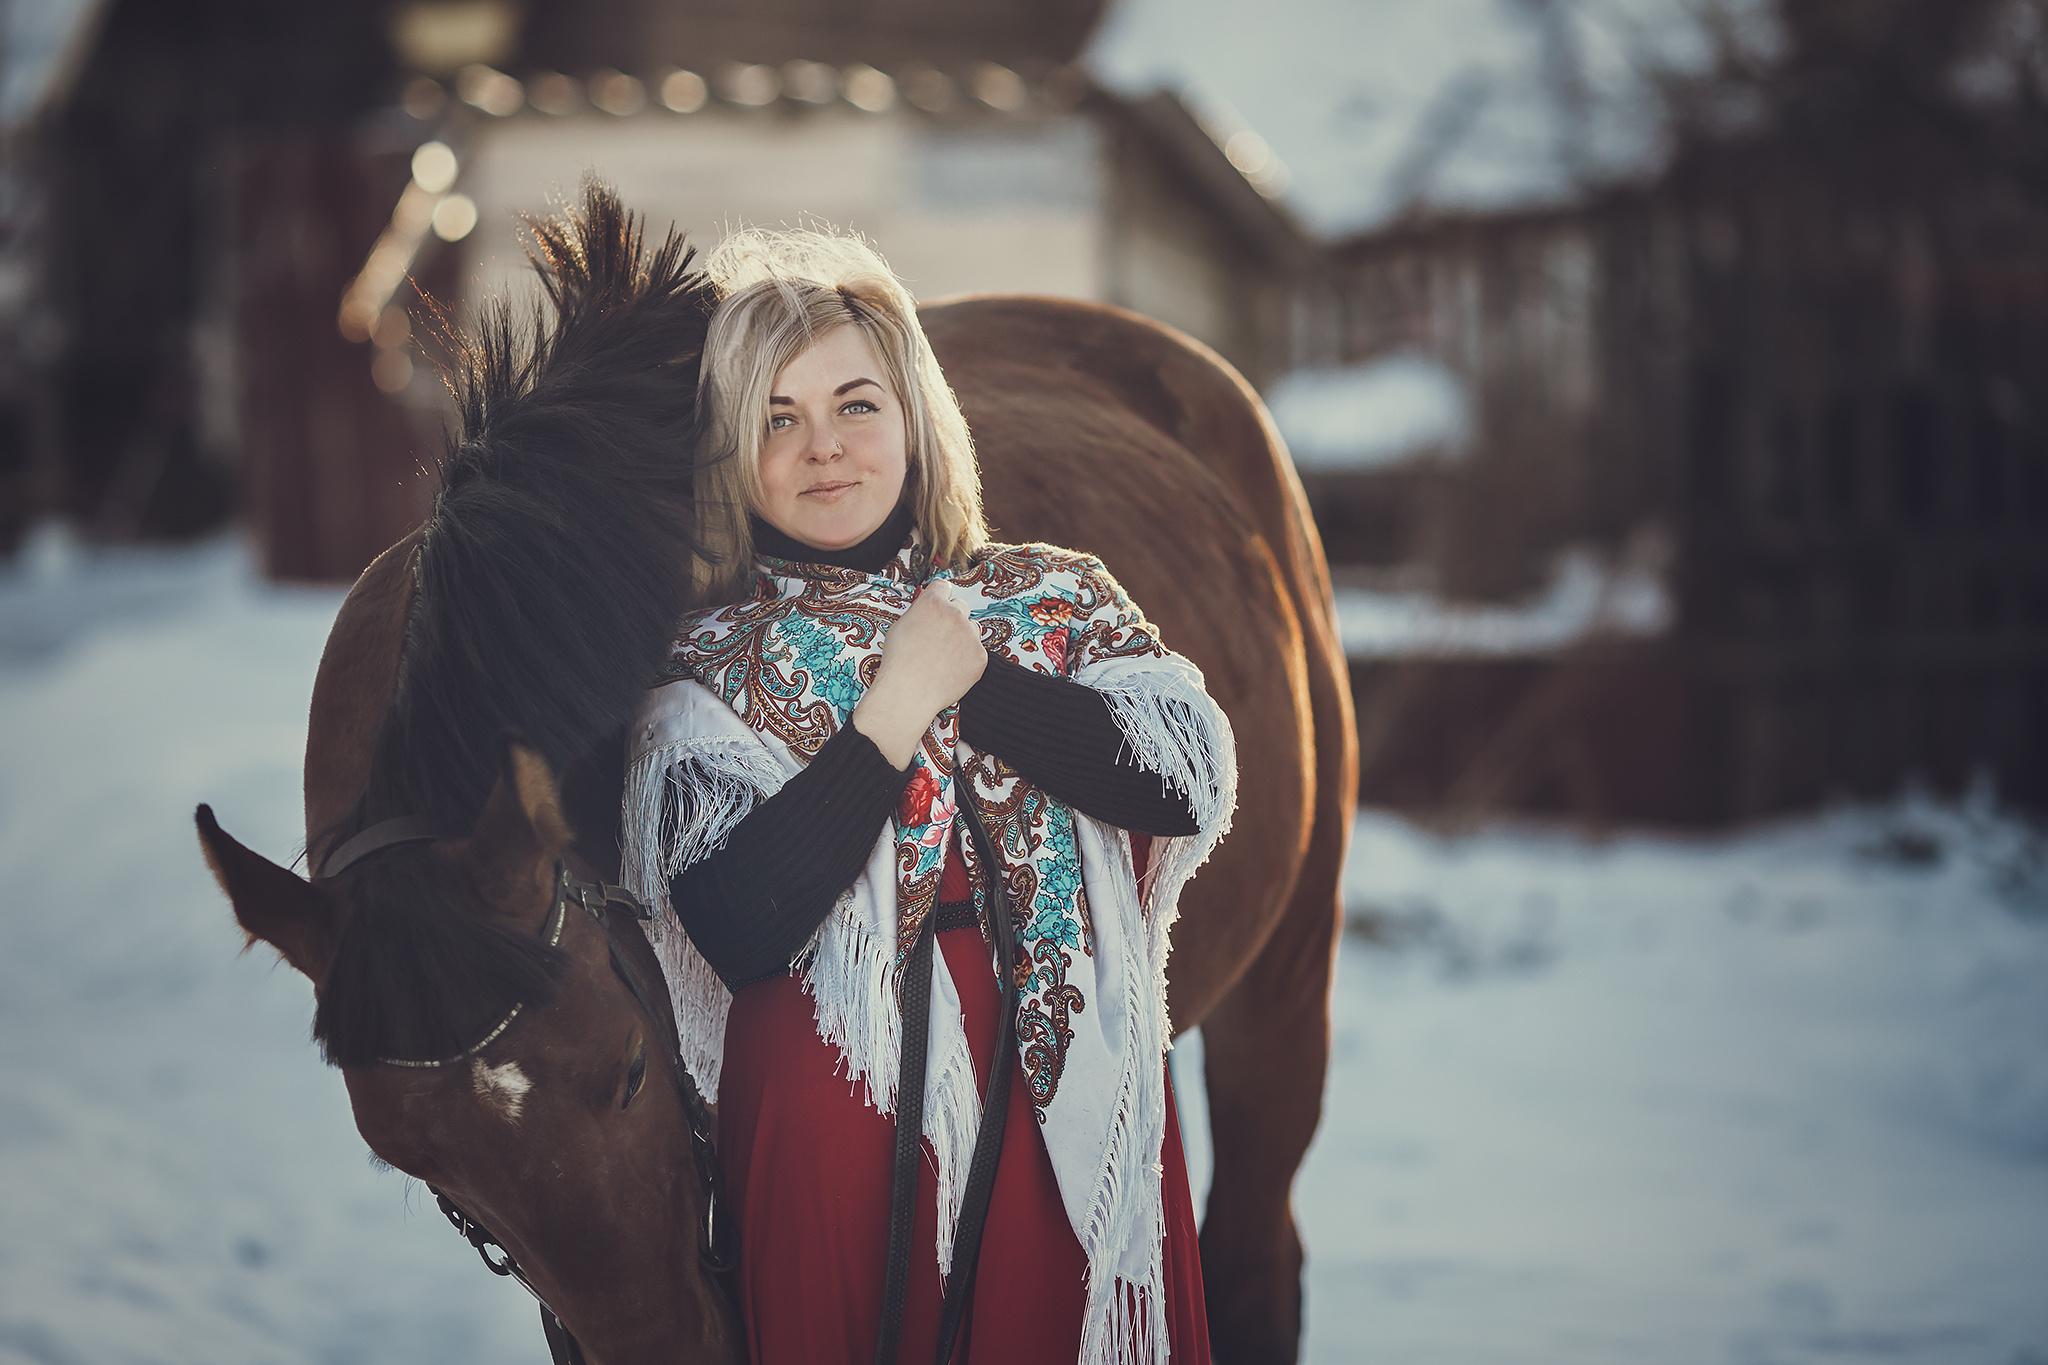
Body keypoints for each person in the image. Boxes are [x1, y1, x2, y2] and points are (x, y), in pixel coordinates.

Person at [622, 228, 1236, 1365]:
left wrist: (979, 683)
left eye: (857, 405)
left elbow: (1178, 782)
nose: (824, 450)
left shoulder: (1048, 596)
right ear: (728, 449)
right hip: (834, 1123)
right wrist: (889, 714)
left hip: (1063, 1103)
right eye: (776, 417)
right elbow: (734, 925)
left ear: (914, 419)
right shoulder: (703, 668)